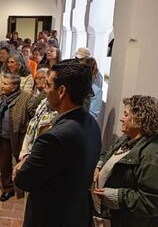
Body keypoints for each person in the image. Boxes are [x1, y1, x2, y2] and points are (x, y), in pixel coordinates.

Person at [14, 60, 102, 226]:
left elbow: (23, 181)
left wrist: (21, 167)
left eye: (48, 85)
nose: (45, 90)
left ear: (61, 91)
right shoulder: (91, 123)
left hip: (51, 217)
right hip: (76, 213)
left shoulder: (54, 137)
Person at [92, 95, 158, 227]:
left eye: (126, 115)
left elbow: (151, 201)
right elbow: (106, 154)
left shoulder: (151, 155)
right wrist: (99, 165)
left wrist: (117, 196)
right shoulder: (126, 139)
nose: (122, 119)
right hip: (108, 217)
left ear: (140, 119)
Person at [0, 73, 36, 202]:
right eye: (3, 82)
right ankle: (8, 189)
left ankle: (22, 186)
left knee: (21, 164)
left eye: (5, 84)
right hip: (1, 137)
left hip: (20, 137)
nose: (2, 85)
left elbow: (34, 117)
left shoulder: (26, 98)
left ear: (14, 87)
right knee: (4, 165)